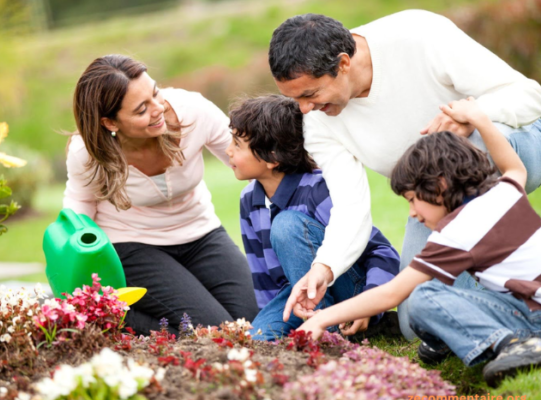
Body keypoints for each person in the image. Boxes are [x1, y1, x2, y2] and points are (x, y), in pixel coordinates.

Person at [268, 11, 541, 340]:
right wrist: (324, 267)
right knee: (416, 325)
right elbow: (350, 205)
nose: (304, 109)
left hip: (512, 148)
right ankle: (508, 311)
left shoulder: (418, 35)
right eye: (294, 98)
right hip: (432, 198)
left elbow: (529, 96)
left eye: (310, 95)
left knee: (472, 144)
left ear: (343, 63)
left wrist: (474, 116)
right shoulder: (318, 123)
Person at [294, 97, 541, 388]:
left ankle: (516, 346)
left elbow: (392, 295)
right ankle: (449, 341)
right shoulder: (505, 190)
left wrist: (322, 319)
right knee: (438, 295)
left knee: (424, 297)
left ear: (440, 186)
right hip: (527, 302)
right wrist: (480, 119)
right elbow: (513, 166)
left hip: (532, 317)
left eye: (413, 200)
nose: (412, 213)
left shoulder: (459, 230)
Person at [64, 54, 258, 336]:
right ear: (110, 123)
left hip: (201, 233)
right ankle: (113, 316)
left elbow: (246, 158)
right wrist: (83, 262)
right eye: (142, 109)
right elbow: (79, 204)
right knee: (217, 332)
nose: (158, 109)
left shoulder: (192, 111)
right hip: (133, 244)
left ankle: (156, 323)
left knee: (253, 324)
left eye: (155, 93)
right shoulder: (87, 152)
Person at [225, 95, 400, 341]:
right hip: (296, 299)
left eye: (237, 144)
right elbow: (264, 277)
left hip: (351, 294)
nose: (227, 151)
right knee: (256, 341)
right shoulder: (249, 200)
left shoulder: (318, 190)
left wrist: (369, 303)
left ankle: (330, 336)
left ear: (272, 158)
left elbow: (383, 252)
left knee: (286, 225)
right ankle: (321, 332)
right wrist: (270, 316)